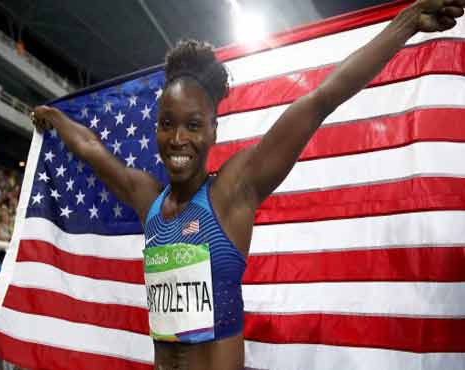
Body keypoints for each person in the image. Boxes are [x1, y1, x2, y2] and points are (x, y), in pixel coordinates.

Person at [30, 1, 465, 369]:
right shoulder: (147, 197)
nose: (178, 139)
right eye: (167, 125)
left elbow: (321, 99)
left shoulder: (233, 191)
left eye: (193, 125)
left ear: (214, 131)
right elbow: (91, 148)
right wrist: (54, 118)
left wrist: (405, 24)